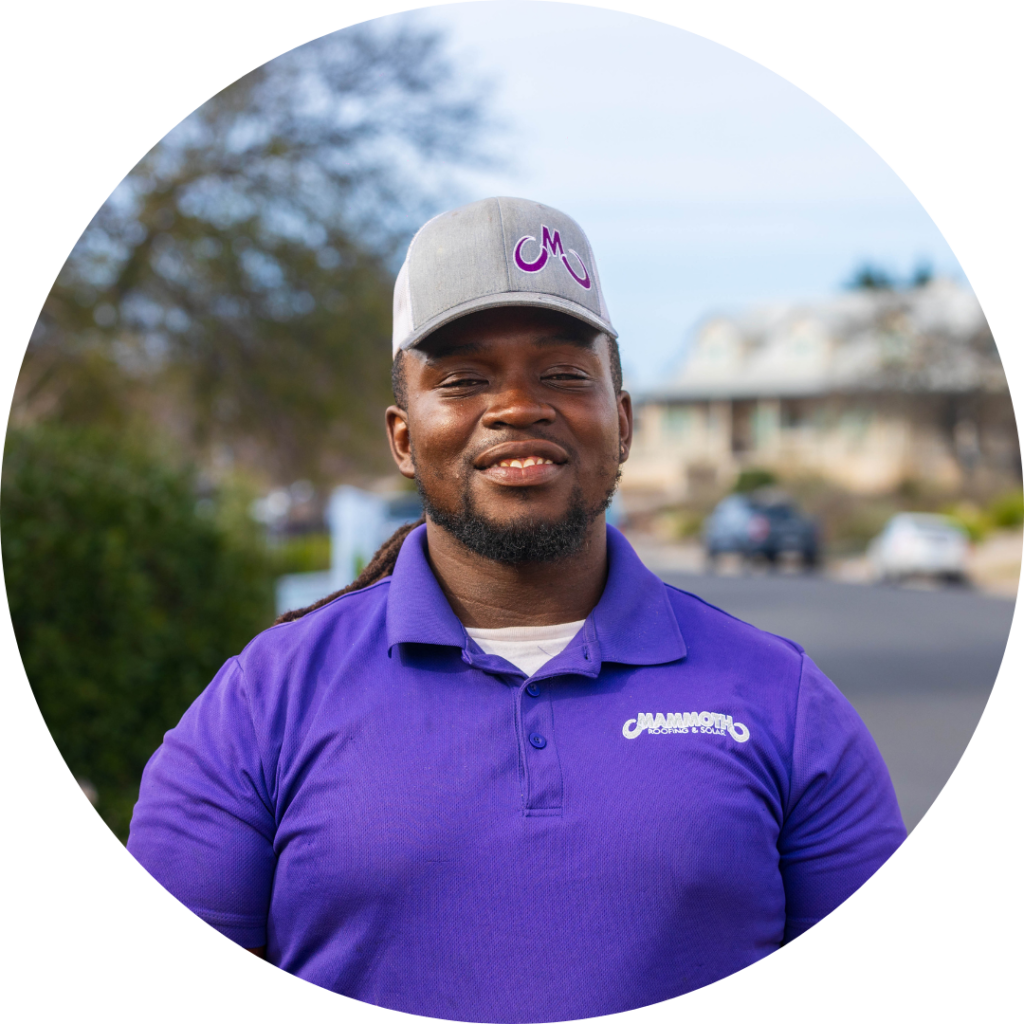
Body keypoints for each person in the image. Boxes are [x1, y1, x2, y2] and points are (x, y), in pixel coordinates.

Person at [127, 197, 906, 1019]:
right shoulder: (262, 702)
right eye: (462, 380)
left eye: (564, 374)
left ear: (625, 421)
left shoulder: (782, 699)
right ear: (401, 436)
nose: (516, 407)